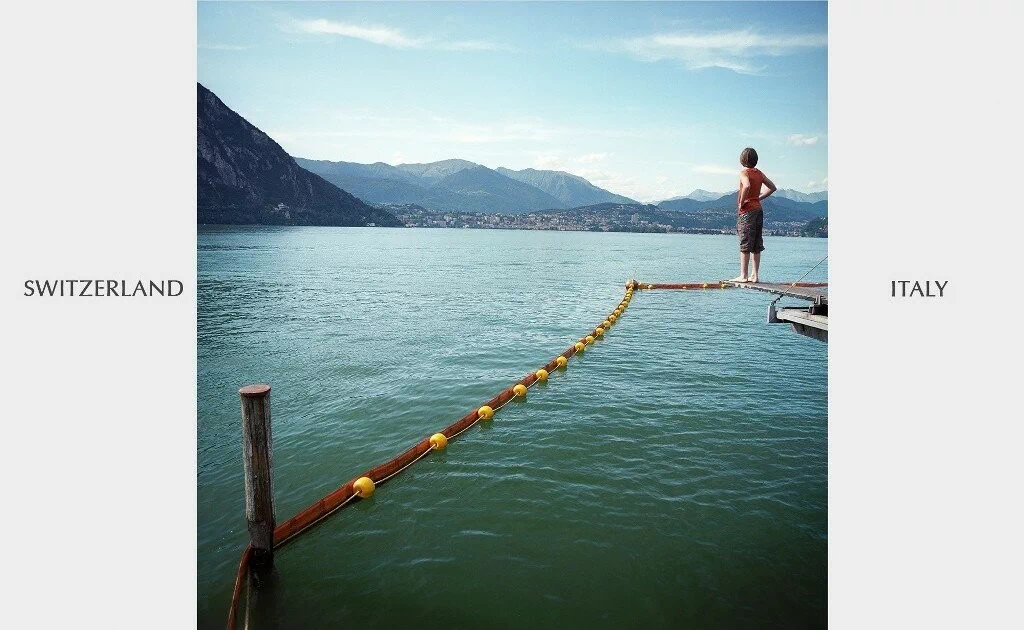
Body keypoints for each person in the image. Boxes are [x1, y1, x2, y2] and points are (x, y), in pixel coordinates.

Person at [730, 147, 776, 283]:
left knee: (745, 241)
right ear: (756, 160)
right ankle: (755, 276)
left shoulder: (744, 173)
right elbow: (773, 188)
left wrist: (741, 202)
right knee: (756, 243)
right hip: (758, 210)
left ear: (742, 159)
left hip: (747, 211)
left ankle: (743, 275)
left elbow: (747, 186)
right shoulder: (760, 173)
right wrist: (759, 198)